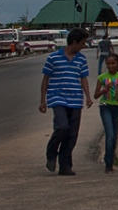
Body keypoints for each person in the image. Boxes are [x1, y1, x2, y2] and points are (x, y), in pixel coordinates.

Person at [39, 28, 94, 175]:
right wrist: (42, 100)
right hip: (57, 98)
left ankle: (65, 165)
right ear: (74, 42)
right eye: (82, 43)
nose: (84, 46)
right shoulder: (53, 58)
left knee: (72, 134)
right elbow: (46, 79)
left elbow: (83, 78)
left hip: (75, 99)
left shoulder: (81, 59)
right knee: (62, 127)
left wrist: (88, 96)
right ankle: (51, 152)